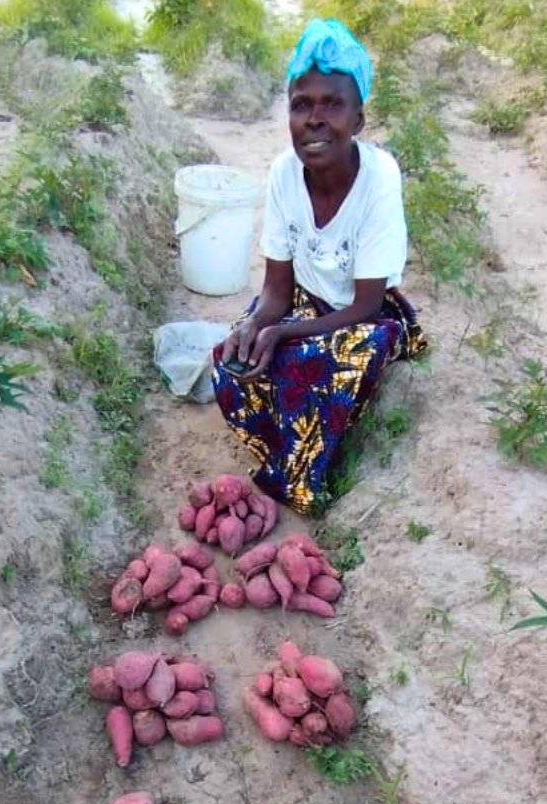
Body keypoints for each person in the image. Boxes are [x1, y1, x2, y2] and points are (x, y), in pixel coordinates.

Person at [212, 18, 427, 514]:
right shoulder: (283, 176)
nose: (315, 118)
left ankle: (304, 477)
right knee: (230, 361)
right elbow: (276, 293)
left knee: (321, 364)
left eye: (332, 104)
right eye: (301, 105)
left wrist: (285, 334)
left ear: (358, 119)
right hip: (305, 304)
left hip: (365, 319)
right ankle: (282, 454)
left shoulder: (379, 179)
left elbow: (369, 303)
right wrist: (255, 325)